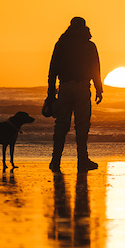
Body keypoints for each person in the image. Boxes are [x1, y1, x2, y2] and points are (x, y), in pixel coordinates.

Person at [45, 17, 103, 172]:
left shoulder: (62, 44)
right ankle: (82, 160)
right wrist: (99, 89)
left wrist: (51, 94)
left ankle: (55, 161)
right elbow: (95, 69)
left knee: (61, 125)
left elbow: (52, 70)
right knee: (82, 125)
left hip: (65, 87)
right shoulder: (89, 45)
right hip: (82, 88)